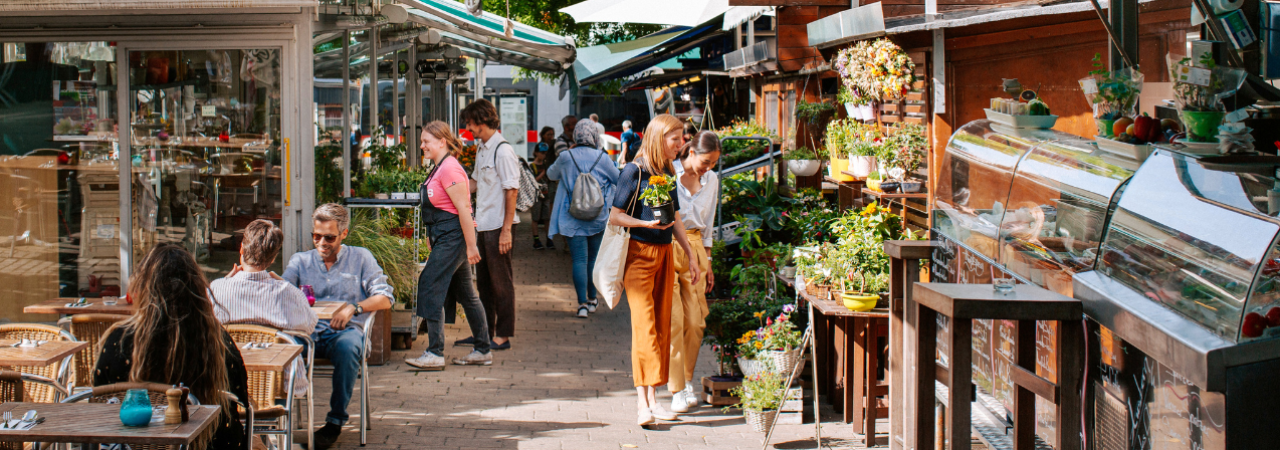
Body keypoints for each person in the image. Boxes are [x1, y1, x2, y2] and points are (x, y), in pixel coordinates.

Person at [95, 244, 250, 450]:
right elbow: (239, 401)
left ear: (144, 287)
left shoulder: (119, 341)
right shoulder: (219, 343)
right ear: (197, 289)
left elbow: (98, 401)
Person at [609, 114, 702, 426]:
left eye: (682, 138)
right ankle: (642, 403)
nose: (681, 144)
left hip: (664, 255)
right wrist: (644, 223)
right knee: (645, 326)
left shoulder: (668, 171)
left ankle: (653, 400)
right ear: (658, 137)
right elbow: (615, 216)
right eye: (675, 139)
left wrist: (689, 253)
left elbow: (675, 216)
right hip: (638, 256)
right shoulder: (633, 171)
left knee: (661, 327)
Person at [283, 203, 394, 449]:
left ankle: (334, 422)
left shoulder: (360, 257)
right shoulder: (300, 262)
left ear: (344, 234)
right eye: (316, 236)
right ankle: (278, 416)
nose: (322, 242)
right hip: (307, 333)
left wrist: (355, 307)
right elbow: (282, 293)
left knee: (348, 348)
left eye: (329, 237)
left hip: (344, 333)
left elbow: (385, 298)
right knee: (283, 347)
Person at [406, 121, 493, 370]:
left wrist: (471, 245)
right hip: (446, 237)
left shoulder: (450, 169)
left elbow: (465, 209)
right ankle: (483, 349)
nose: (422, 145)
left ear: (441, 142)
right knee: (466, 293)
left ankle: (434, 352)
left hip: (453, 238)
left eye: (426, 141)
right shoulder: (439, 167)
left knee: (430, 283)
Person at [667, 131, 721, 413]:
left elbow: (709, 222)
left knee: (696, 320)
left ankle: (686, 378)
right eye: (706, 161)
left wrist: (708, 261)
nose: (708, 167)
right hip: (670, 246)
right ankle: (677, 388)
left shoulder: (711, 180)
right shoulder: (668, 175)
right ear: (691, 152)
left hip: (697, 247)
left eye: (713, 163)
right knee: (675, 320)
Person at [460, 99, 519, 351]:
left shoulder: (503, 150)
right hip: (483, 225)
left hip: (497, 226)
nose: (468, 128)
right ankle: (484, 332)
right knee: (484, 283)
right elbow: (474, 183)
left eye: (470, 123)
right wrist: (451, 190)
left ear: (481, 121)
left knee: (501, 283)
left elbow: (512, 191)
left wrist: (506, 230)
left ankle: (503, 335)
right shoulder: (483, 147)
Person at [548, 119, 620, 318]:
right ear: (595, 136)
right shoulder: (603, 158)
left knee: (579, 259)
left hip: (572, 216)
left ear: (576, 136)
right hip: (598, 217)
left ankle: (581, 305)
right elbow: (618, 179)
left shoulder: (565, 156)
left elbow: (551, 174)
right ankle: (592, 298)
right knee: (593, 260)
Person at [211, 219, 318, 335]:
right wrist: (286, 285)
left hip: (230, 352)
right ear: (272, 259)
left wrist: (223, 282)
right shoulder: (287, 292)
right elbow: (310, 325)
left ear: (241, 248)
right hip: (275, 352)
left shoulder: (216, 289)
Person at [531, 126, 557, 250]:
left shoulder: (547, 162)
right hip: (537, 196)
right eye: (541, 153)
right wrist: (543, 173)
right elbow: (532, 181)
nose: (543, 155)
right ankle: (536, 239)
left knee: (547, 217)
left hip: (546, 194)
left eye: (545, 153)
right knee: (536, 218)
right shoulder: (533, 166)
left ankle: (548, 238)